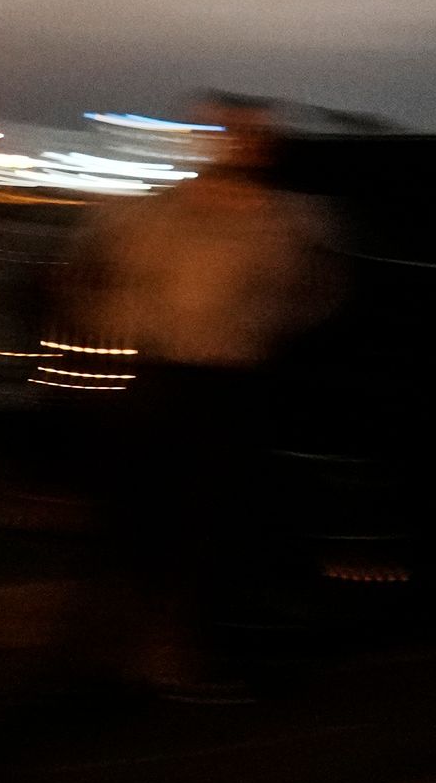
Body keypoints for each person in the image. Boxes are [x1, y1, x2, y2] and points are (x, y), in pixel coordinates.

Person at [60, 97, 339, 698]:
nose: (245, 143)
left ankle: (162, 651)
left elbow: (321, 293)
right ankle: (119, 652)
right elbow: (86, 275)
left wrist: (270, 331)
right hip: (165, 380)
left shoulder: (293, 221)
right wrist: (125, 329)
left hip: (232, 386)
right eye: (235, 132)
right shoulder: (154, 215)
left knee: (202, 525)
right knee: (146, 520)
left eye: (256, 134)